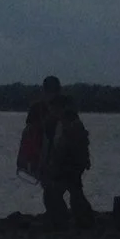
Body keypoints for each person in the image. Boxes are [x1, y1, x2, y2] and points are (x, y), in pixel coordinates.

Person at [41, 93, 94, 227]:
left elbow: (68, 145)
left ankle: (66, 219)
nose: (52, 111)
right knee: (74, 192)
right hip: (70, 164)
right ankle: (81, 218)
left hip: (70, 164)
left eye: (53, 108)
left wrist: (54, 163)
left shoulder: (70, 123)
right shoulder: (62, 122)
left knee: (57, 192)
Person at [16, 75, 63, 187]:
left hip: (55, 156)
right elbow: (29, 133)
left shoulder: (63, 106)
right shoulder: (38, 108)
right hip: (44, 154)